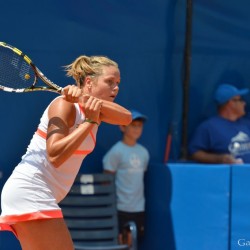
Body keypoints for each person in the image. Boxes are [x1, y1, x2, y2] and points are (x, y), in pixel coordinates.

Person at [0, 55, 132, 250]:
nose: (116, 87)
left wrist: (86, 101)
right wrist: (89, 122)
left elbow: (126, 118)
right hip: (31, 190)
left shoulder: (96, 109)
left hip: (34, 194)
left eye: (118, 83)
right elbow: (55, 155)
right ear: (89, 82)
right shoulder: (64, 105)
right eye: (109, 81)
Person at [102, 109, 149, 246]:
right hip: (120, 208)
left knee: (133, 242)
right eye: (133, 125)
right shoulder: (116, 151)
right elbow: (107, 179)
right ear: (122, 127)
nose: (137, 129)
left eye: (139, 126)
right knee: (123, 242)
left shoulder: (144, 153)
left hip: (139, 208)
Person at [188, 83, 250, 164]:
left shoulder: (246, 124)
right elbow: (194, 153)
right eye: (240, 100)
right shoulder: (209, 127)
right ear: (231, 103)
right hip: (230, 174)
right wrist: (219, 159)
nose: (244, 103)